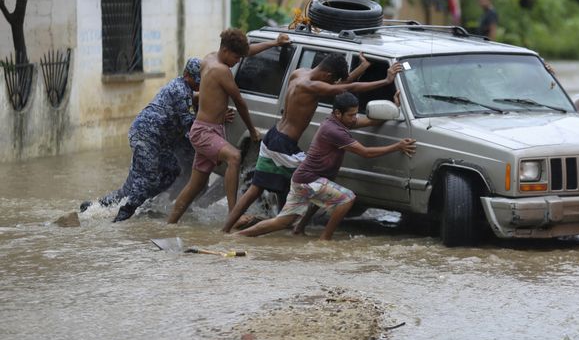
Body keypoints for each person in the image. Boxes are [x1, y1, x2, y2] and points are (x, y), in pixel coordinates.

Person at [221, 52, 403, 232]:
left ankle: (226, 229)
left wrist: (361, 68)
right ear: (328, 76)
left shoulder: (300, 73)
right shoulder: (312, 86)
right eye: (332, 81)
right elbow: (347, 88)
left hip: (273, 135)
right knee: (320, 179)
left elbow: (339, 86)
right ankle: (296, 226)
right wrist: (386, 81)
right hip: (284, 146)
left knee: (256, 188)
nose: (332, 85)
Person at [233, 92, 416, 240]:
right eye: (351, 115)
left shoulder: (337, 122)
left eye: (355, 114)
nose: (354, 118)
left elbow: (370, 121)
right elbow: (365, 152)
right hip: (308, 181)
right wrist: (398, 146)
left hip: (306, 180)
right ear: (338, 113)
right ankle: (325, 240)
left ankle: (241, 236)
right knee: (347, 199)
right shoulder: (334, 131)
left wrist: (395, 109)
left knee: (282, 221)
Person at [167, 29, 290, 223]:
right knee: (235, 157)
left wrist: (274, 44)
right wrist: (252, 130)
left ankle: (170, 224)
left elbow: (247, 51)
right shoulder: (221, 71)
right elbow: (239, 101)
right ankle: (233, 217)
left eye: (240, 56)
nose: (239, 61)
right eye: (236, 57)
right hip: (204, 131)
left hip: (207, 129)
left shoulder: (209, 58)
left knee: (195, 185)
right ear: (225, 50)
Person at [80, 57, 202, 222]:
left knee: (169, 172)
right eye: (197, 81)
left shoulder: (182, 87)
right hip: (146, 136)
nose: (199, 85)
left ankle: (96, 207)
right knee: (148, 178)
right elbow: (190, 126)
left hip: (156, 139)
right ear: (187, 75)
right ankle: (122, 217)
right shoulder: (182, 91)